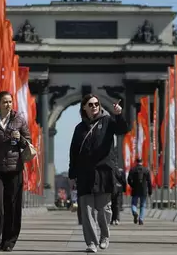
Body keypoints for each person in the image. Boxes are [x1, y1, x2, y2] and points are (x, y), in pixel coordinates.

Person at [68, 94, 131, 253]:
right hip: (85, 174)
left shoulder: (108, 121)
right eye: (91, 104)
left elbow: (123, 129)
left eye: (96, 104)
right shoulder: (79, 128)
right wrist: (72, 174)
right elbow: (74, 152)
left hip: (104, 172)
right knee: (87, 211)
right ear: (84, 107)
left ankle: (104, 235)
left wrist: (119, 115)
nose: (94, 106)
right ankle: (91, 243)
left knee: (104, 210)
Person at [0, 91, 30, 252]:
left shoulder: (19, 120)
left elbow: (27, 143)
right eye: (4, 102)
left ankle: (9, 241)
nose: (8, 104)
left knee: (13, 206)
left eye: (10, 101)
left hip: (14, 168)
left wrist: (20, 138)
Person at [127, 157, 152, 225]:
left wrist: (132, 185)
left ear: (136, 162)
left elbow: (128, 179)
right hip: (143, 190)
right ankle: (141, 219)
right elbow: (149, 182)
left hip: (135, 189)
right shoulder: (146, 170)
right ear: (142, 162)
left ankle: (134, 212)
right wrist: (150, 191)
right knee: (142, 205)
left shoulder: (132, 169)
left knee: (133, 203)